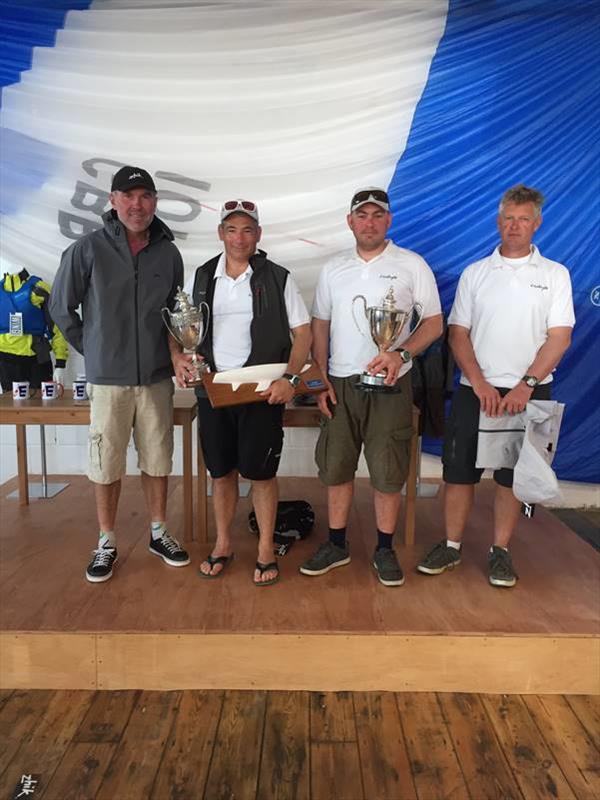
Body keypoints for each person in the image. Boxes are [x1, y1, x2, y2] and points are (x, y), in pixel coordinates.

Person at [417, 184, 575, 587]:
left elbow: (559, 337)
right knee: (459, 474)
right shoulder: (476, 273)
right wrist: (479, 382)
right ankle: (451, 546)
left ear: (537, 224)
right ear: (497, 221)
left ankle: (500, 551)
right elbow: (458, 333)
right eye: (508, 218)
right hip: (476, 391)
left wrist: (525, 385)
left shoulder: (555, 275)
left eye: (523, 219)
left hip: (531, 393)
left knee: (512, 478)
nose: (515, 226)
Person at [49, 165, 190, 583]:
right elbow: (60, 308)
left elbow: (175, 317)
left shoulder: (168, 253)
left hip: (156, 378)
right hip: (108, 380)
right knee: (106, 462)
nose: (137, 204)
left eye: (145, 196)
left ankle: (159, 532)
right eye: (128, 196)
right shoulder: (87, 249)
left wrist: (178, 356)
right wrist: (91, 348)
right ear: (112, 201)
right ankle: (106, 540)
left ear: (155, 202)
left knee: (157, 457)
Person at [300, 188, 443, 586]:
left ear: (389, 220)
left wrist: (401, 354)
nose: (369, 222)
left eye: (377, 215)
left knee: (388, 469)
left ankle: (384, 548)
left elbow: (434, 323)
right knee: (336, 467)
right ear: (350, 222)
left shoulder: (412, 265)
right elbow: (321, 325)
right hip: (342, 384)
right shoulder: (334, 268)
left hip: (392, 383)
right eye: (361, 215)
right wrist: (321, 378)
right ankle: (337, 544)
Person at [174, 199, 311, 585]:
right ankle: (223, 544)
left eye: (247, 229)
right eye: (231, 229)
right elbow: (183, 331)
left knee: (262, 474)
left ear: (259, 235)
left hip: (262, 392)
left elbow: (302, 334)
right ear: (220, 234)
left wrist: (291, 379)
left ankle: (266, 548)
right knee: (221, 473)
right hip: (215, 392)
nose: (239, 237)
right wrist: (183, 361)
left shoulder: (279, 277)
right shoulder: (200, 277)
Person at [0, 268, 68, 391]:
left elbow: (58, 327)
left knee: (42, 407)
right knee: (10, 408)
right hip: (6, 361)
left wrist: (60, 363)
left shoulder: (39, 289)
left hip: (37, 359)